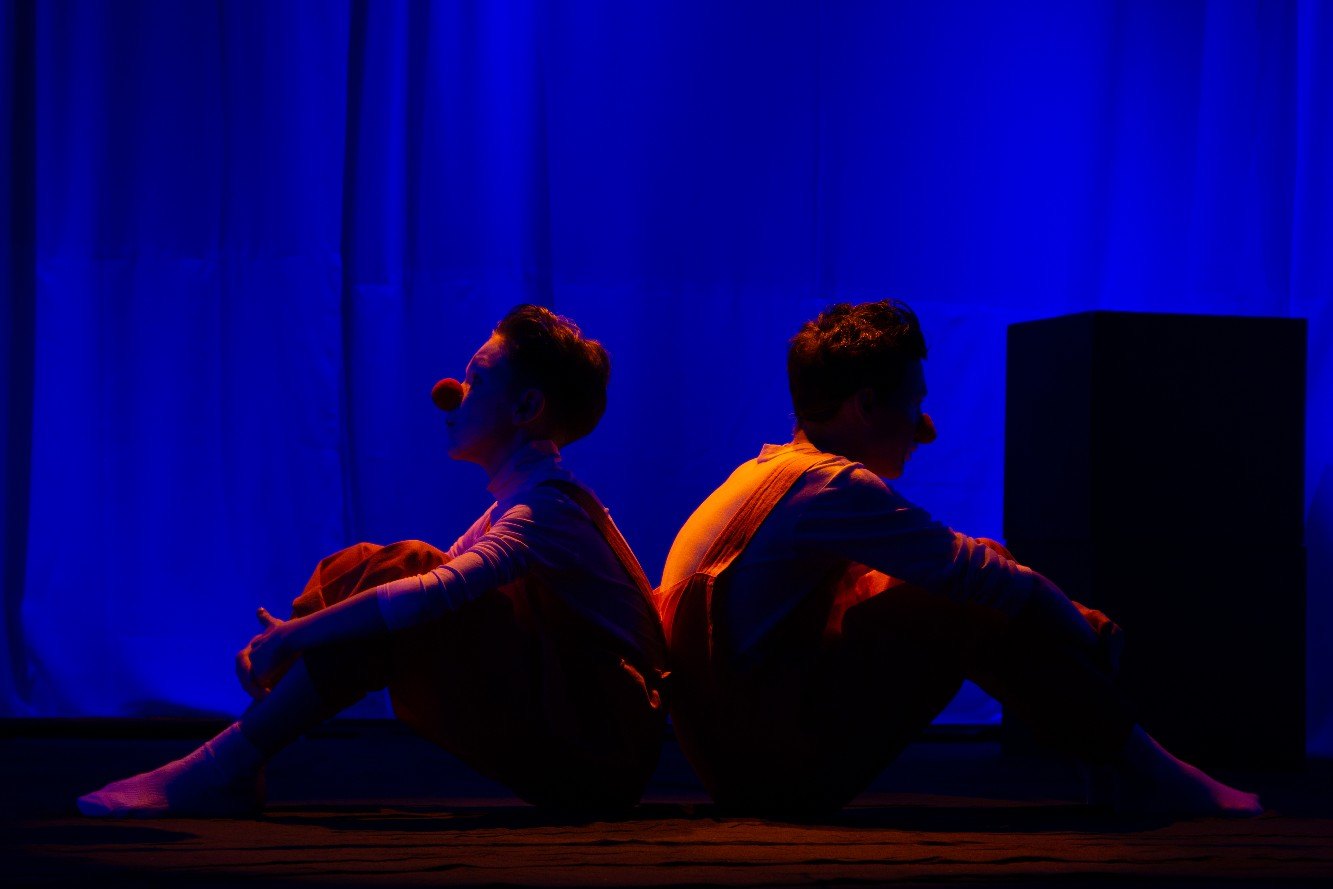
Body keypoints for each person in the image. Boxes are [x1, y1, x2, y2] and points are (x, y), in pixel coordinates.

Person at [658, 299, 1261, 818]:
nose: (925, 427)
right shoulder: (829, 485)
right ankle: (1155, 771)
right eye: (914, 401)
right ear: (866, 404)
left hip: (739, 757)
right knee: (965, 597)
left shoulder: (769, 476)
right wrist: (1086, 629)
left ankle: (1113, 764)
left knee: (959, 576)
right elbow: (987, 579)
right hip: (767, 776)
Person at [79, 305, 667, 817]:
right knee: (375, 571)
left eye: (476, 380)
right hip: (583, 738)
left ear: (527, 406)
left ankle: (223, 766)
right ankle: (235, 762)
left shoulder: (548, 510)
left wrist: (292, 639)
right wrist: (300, 636)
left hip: (601, 754)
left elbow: (426, 594)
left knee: (406, 571)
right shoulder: (522, 503)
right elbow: (413, 600)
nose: (451, 394)